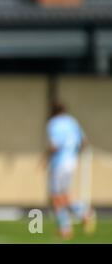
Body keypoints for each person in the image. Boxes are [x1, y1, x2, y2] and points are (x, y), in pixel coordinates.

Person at [45, 102, 96, 239]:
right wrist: (73, 154)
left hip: (59, 163)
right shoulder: (73, 122)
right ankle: (79, 217)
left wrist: (44, 159)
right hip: (71, 163)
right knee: (64, 196)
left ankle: (72, 223)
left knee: (57, 198)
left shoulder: (54, 123)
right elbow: (84, 143)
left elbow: (54, 146)